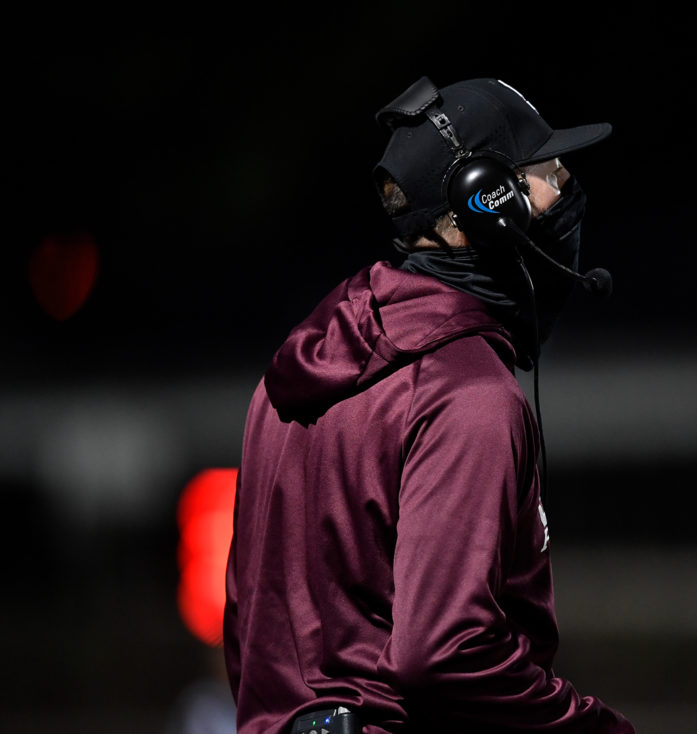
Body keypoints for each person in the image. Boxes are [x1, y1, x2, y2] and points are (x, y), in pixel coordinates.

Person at [223, 76, 635, 734]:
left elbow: (248, 629)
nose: (567, 193)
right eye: (550, 173)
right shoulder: (468, 396)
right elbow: (442, 652)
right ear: (490, 205)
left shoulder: (290, 371)